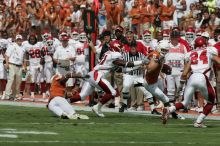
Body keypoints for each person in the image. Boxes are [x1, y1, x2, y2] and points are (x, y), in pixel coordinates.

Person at [70, 40, 148, 117]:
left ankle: (66, 101)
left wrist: (137, 67)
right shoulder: (115, 54)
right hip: (97, 76)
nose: (123, 48)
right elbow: (126, 64)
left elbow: (121, 69)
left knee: (82, 96)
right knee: (113, 93)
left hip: (92, 74)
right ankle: (97, 107)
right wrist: (141, 62)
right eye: (120, 47)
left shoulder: (108, 54)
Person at [162, 37, 220, 128]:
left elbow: (184, 73)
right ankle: (198, 122)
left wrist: (180, 87)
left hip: (192, 77)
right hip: (202, 77)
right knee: (211, 101)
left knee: (185, 102)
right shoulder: (209, 51)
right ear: (205, 44)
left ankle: (169, 109)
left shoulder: (191, 54)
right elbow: (218, 61)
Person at [4, 35, 25, 100]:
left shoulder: (23, 48)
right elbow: (7, 55)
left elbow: (23, 58)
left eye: (20, 39)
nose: (19, 40)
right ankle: (7, 95)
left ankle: (14, 95)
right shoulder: (12, 46)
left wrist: (24, 66)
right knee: (11, 80)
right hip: (12, 64)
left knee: (18, 81)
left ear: (22, 40)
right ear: (16, 40)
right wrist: (7, 63)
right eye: (18, 39)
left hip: (20, 66)